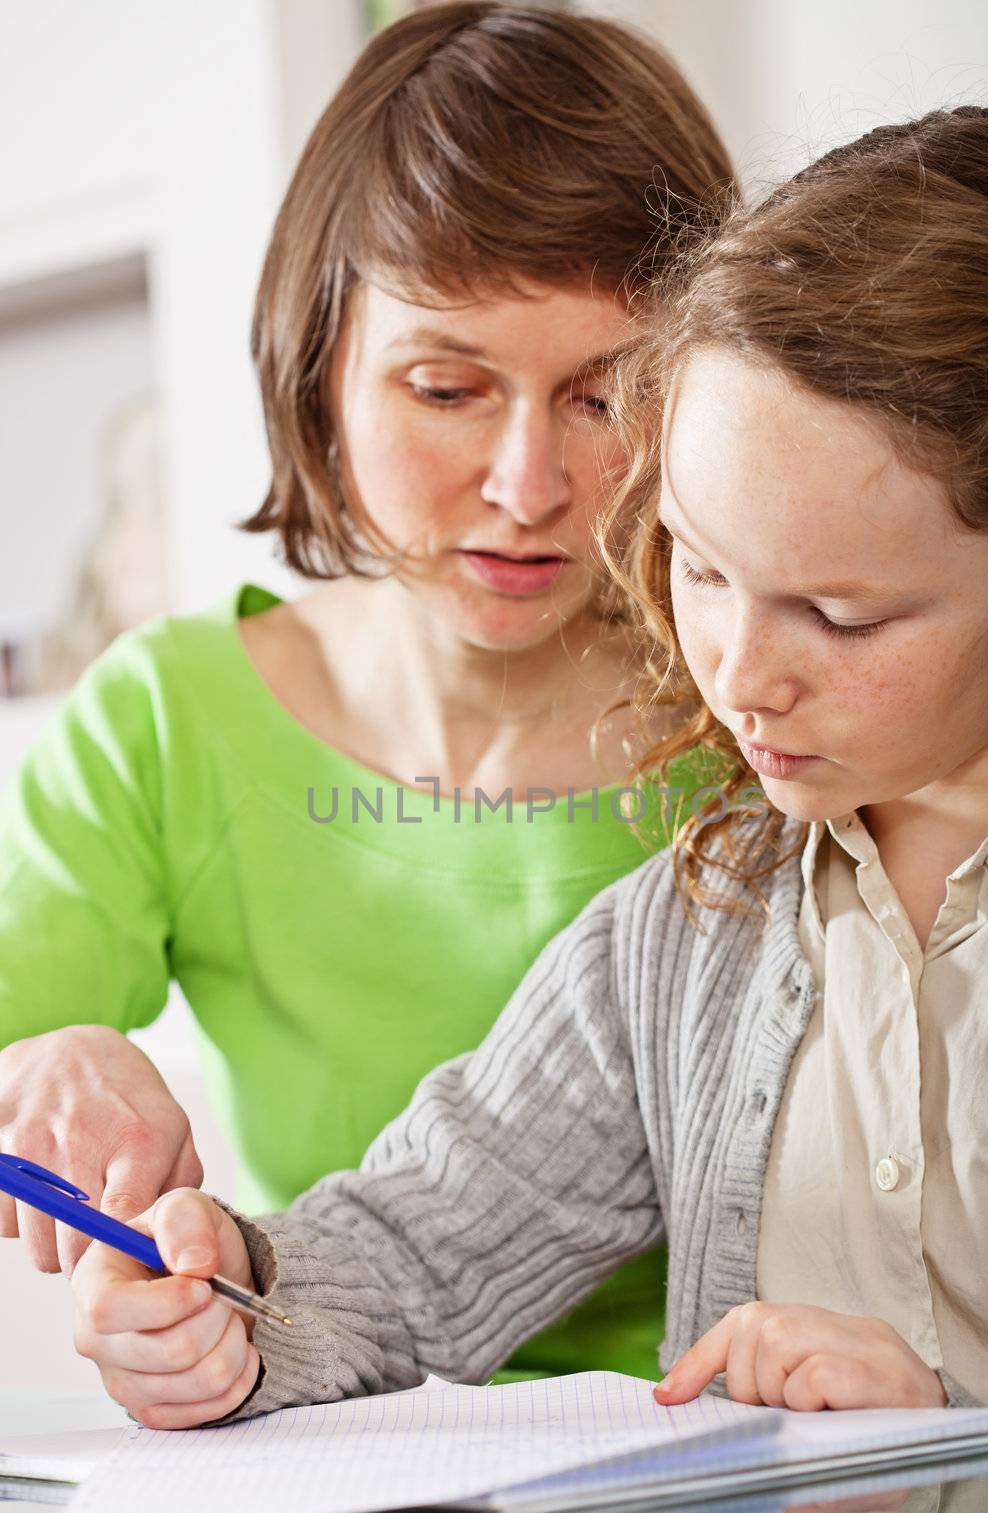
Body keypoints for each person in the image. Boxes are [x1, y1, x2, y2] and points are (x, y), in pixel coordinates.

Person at [71, 104, 988, 1433]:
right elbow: (421, 1246)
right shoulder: (682, 933)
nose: (738, 673)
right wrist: (235, 1291)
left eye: (840, 616)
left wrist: (964, 1428)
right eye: (700, 570)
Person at [0, 2, 734, 1384]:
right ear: (318, 367)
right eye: (447, 388)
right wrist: (48, 1057)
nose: (527, 488)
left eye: (605, 396)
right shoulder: (171, 718)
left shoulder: (777, 712)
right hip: (331, 1454)